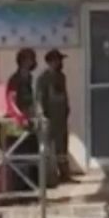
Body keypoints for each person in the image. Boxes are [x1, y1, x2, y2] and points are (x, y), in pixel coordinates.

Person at [36, 49, 72, 182]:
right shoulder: (43, 79)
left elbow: (64, 95)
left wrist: (67, 109)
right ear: (51, 62)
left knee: (62, 147)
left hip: (61, 118)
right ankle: (48, 178)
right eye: (57, 60)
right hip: (49, 118)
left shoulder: (61, 76)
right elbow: (39, 98)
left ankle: (65, 174)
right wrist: (42, 116)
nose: (60, 63)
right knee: (47, 148)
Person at [5, 48, 38, 191]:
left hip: (29, 119)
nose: (31, 62)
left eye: (32, 59)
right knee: (20, 156)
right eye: (28, 59)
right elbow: (11, 100)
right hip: (17, 123)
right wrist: (20, 117)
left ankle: (30, 187)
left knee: (32, 154)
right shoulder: (15, 79)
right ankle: (19, 189)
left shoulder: (29, 77)